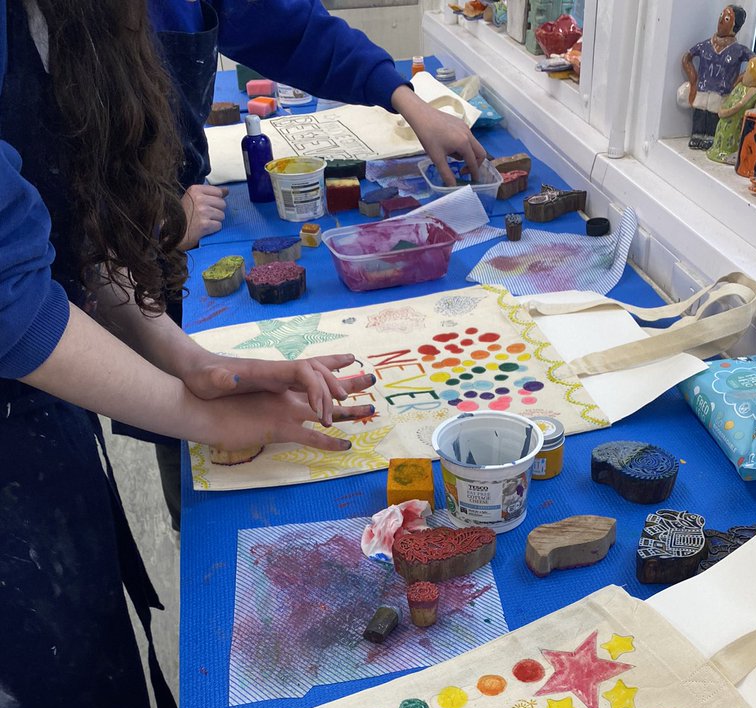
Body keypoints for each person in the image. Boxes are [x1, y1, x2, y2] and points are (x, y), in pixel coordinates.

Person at [1, 0, 455, 708]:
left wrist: (188, 361)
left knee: (90, 684)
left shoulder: (92, 26)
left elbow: (58, 257)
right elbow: (10, 297)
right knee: (43, 704)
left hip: (30, 377)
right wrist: (197, 411)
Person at [120, 0, 487, 531]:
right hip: (120, 263)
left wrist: (405, 99)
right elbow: (48, 275)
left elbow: (293, 28)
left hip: (138, 247)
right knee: (196, 478)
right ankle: (185, 519)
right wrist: (152, 228)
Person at [681, 6, 752, 151]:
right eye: (721, 16)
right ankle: (697, 134)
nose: (720, 21)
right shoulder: (705, 45)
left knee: (714, 115)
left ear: (735, 26)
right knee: (700, 112)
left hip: (721, 92)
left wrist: (739, 81)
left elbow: (755, 64)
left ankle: (711, 137)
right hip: (703, 88)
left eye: (726, 18)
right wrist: (693, 79)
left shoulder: (738, 50)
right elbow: (686, 58)